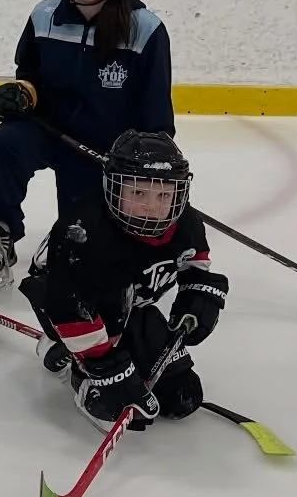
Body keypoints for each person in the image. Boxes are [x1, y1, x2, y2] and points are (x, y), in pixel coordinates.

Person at [0, 0, 174, 320]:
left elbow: (155, 113)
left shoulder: (145, 28)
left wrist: (145, 162)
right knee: (3, 143)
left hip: (103, 152)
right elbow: (27, 73)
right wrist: (22, 94)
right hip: (47, 131)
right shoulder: (44, 15)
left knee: (80, 244)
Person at [19, 131, 227, 433]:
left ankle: (114, 346)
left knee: (182, 397)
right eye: (138, 193)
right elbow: (68, 303)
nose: (151, 207)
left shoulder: (187, 224)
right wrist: (104, 366)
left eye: (163, 195)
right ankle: (71, 359)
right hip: (69, 307)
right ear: (113, 189)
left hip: (132, 307)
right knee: (116, 403)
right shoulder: (83, 229)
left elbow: (194, 263)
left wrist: (199, 297)